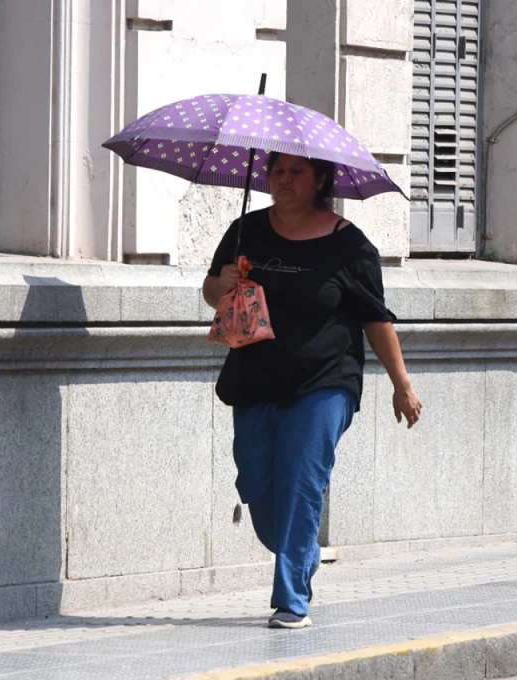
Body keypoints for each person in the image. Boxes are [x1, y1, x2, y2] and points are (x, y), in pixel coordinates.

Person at [203, 152, 422, 629]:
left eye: (296, 172)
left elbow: (375, 318)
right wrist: (222, 283)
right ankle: (301, 551)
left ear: (321, 179)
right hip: (255, 377)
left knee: (302, 478)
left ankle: (291, 600)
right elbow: (211, 290)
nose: (284, 180)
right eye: (277, 171)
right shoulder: (247, 230)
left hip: (326, 381)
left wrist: (401, 384)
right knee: (259, 487)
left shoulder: (350, 246)